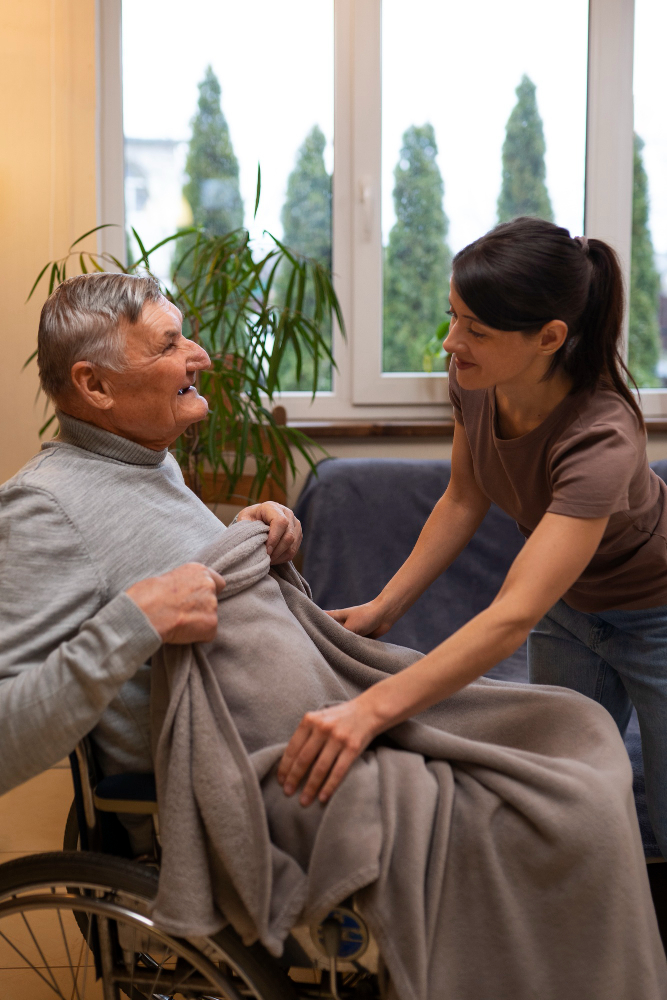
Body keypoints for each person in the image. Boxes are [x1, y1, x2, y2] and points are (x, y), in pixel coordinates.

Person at [278, 216, 667, 861]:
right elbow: (463, 496)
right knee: (558, 802)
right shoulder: (476, 384)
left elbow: (512, 615)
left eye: (476, 330)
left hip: (656, 615)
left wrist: (373, 711)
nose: (451, 344)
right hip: (572, 613)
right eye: (452, 318)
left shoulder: (601, 436)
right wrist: (385, 606)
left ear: (549, 338)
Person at [0, 272, 302, 806]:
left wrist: (240, 542)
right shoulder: (43, 508)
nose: (201, 356)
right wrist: (133, 622)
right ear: (96, 386)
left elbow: (141, 561)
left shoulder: (145, 460)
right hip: (258, 784)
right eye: (169, 344)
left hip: (297, 738)